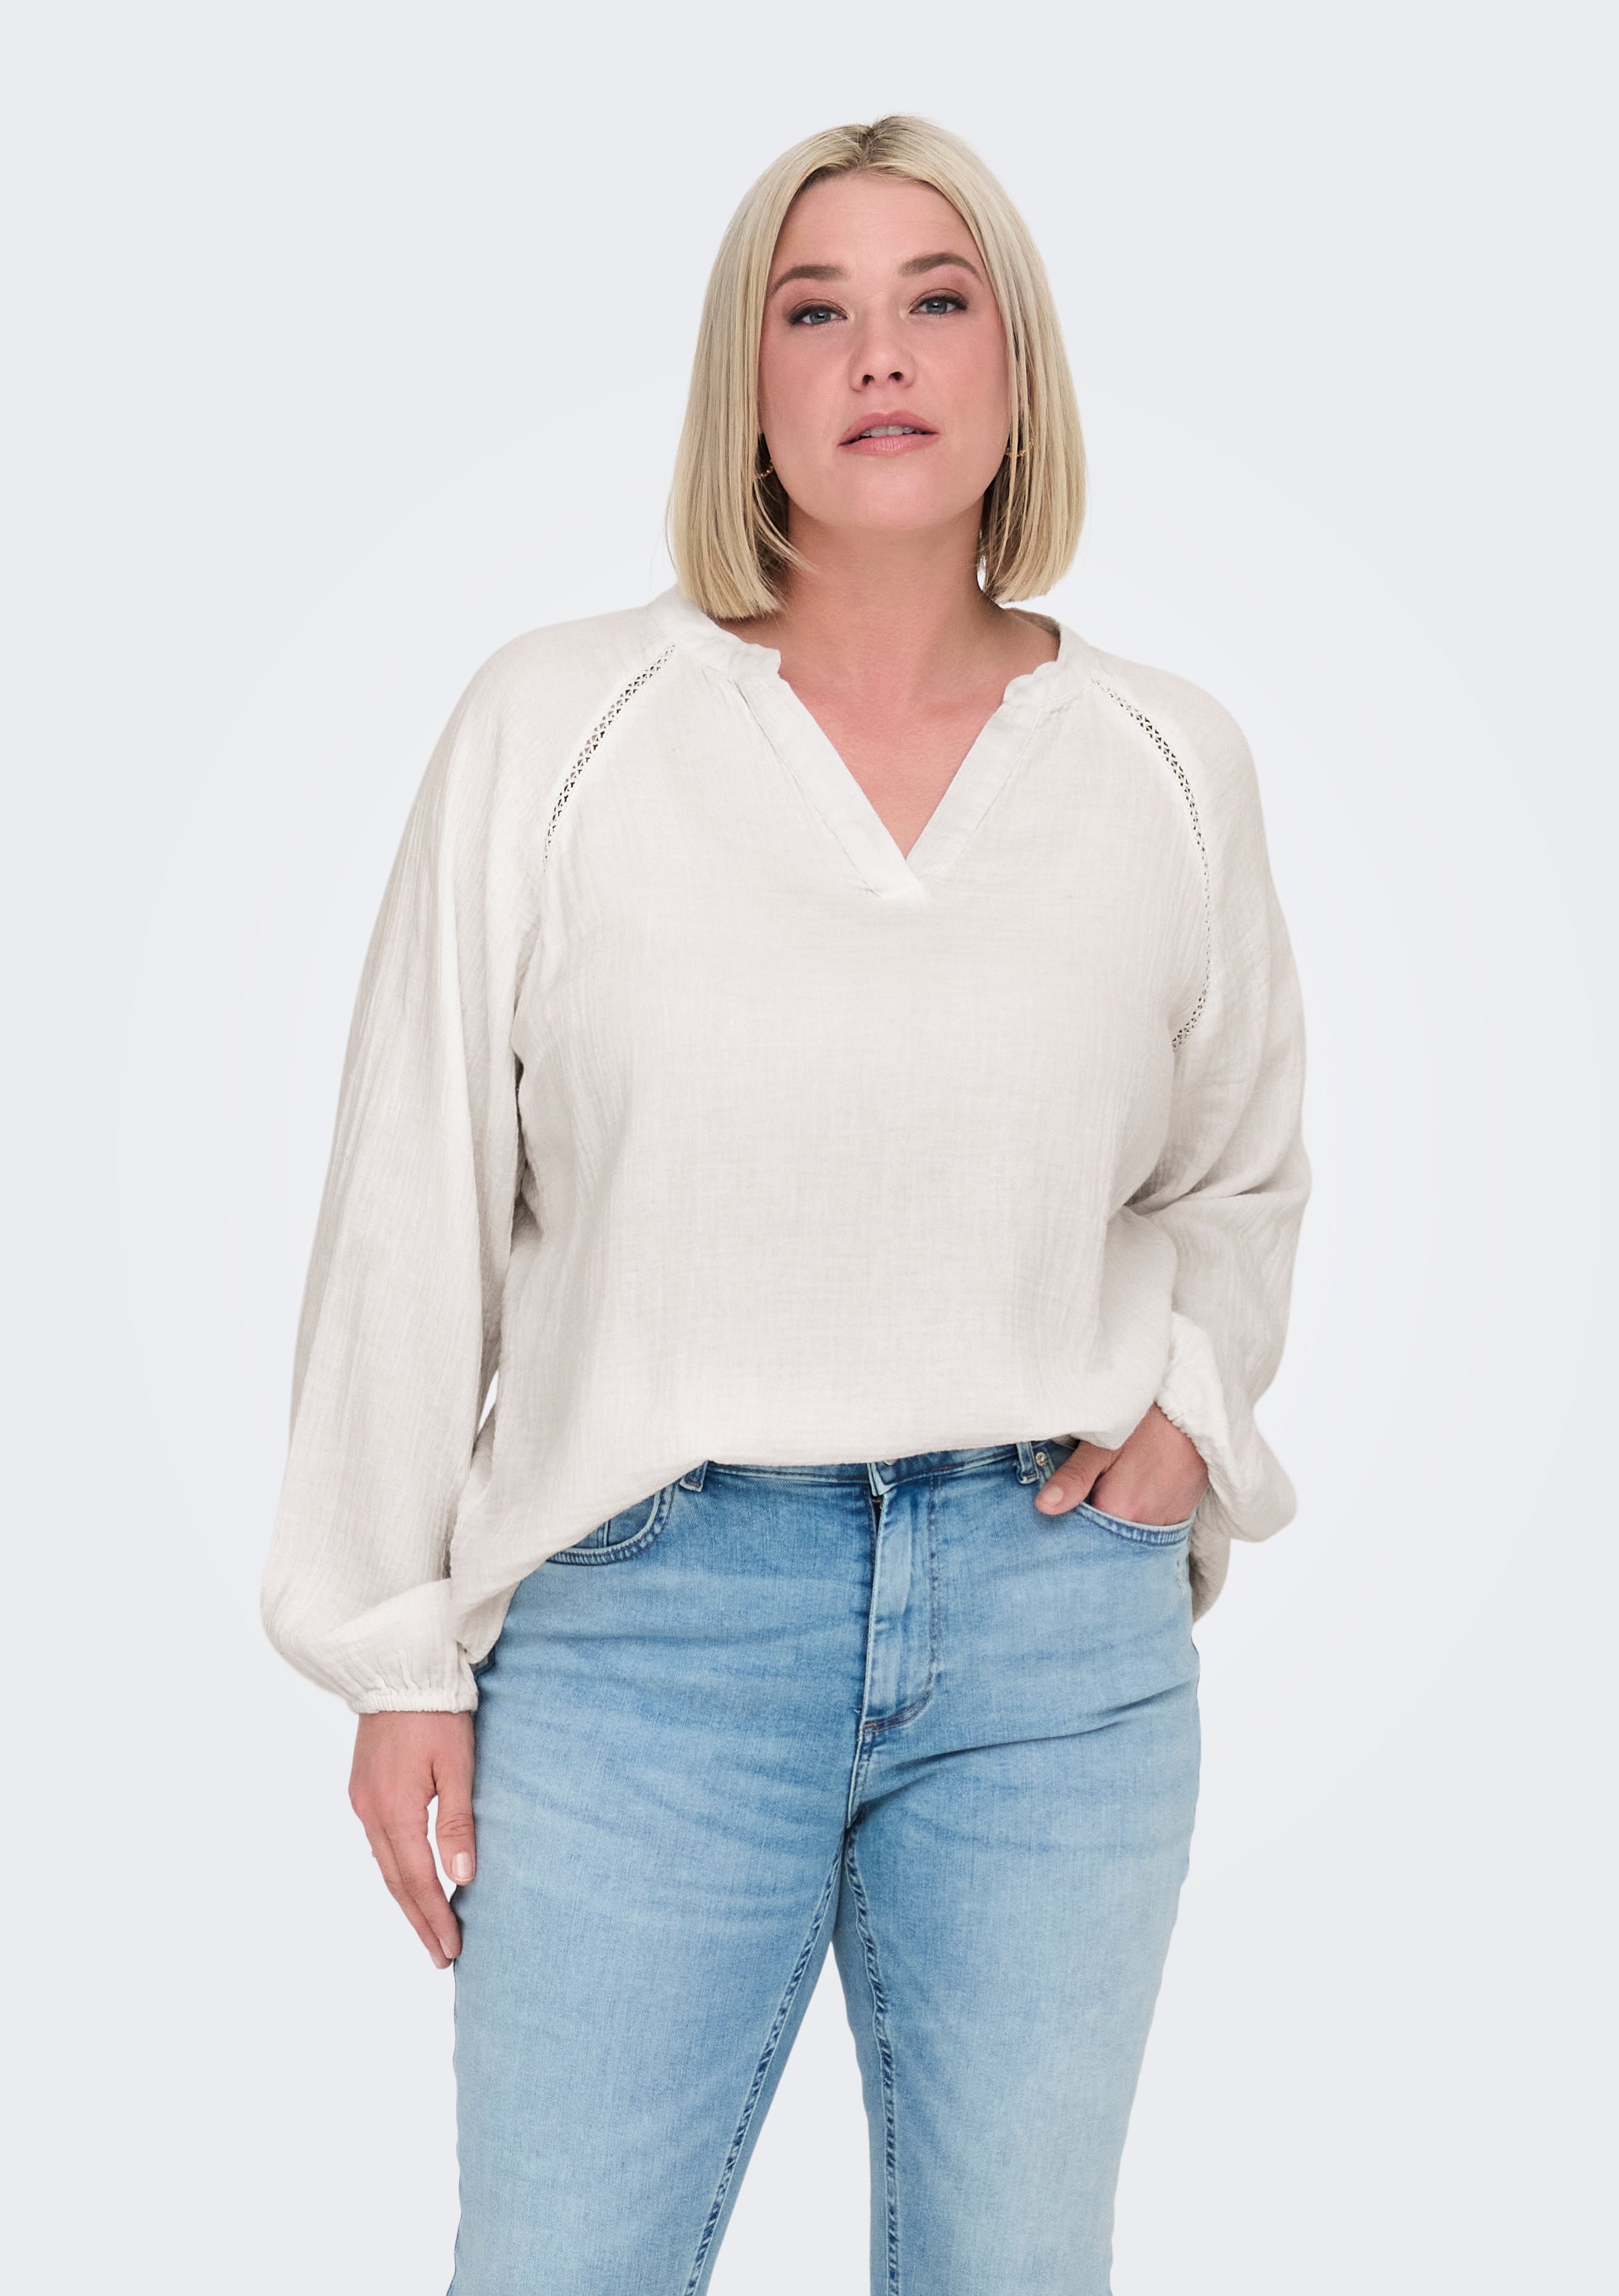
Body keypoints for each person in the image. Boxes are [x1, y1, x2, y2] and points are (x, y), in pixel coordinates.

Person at [262, 112, 1312, 2296]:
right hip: (646, 1629)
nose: (878, 356)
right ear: (746, 382)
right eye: (813, 310)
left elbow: (1236, 1164)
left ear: (1017, 366)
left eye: (937, 301)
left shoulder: (1165, 762)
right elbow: (411, 1188)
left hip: (1052, 1641)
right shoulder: (564, 727)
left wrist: (1192, 1411)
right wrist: (391, 1651)